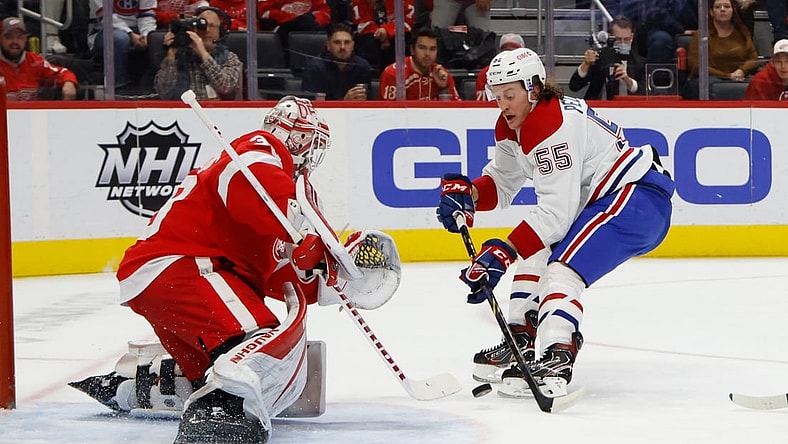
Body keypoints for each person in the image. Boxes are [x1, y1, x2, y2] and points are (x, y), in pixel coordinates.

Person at [68, 96, 400, 443]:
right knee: (258, 341)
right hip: (183, 267)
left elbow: (277, 275)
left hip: (171, 279)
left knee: (213, 371)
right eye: (309, 143)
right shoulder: (260, 149)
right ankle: (219, 415)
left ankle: (139, 385)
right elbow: (250, 180)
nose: (311, 156)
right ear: (295, 136)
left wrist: (328, 279)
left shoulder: (272, 206)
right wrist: (306, 239)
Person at [436, 47, 674, 397]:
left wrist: (502, 251)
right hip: (609, 201)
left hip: (636, 200)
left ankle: (557, 353)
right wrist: (469, 194)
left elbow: (555, 216)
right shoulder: (514, 124)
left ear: (533, 89)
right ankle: (520, 339)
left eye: (510, 95)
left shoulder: (552, 125)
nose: (502, 104)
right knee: (536, 253)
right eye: (497, 95)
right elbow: (503, 183)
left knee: (562, 269)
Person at [154, 7, 243, 100]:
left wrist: (203, 53)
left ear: (220, 31)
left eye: (212, 26)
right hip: (181, 110)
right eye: (202, 25)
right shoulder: (176, 55)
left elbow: (226, 87)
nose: (207, 30)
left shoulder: (229, 57)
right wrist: (171, 55)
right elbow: (163, 92)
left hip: (216, 110)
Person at [683, 0, 759, 99]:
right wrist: (727, 76)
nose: (722, 9)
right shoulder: (701, 35)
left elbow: (753, 59)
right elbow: (697, 66)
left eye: (727, 7)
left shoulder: (742, 33)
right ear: (711, 12)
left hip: (739, 78)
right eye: (718, 7)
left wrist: (741, 71)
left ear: (733, 11)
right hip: (711, 80)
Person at [568, 15, 647, 100]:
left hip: (630, 109)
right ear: (610, 37)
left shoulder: (640, 63)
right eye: (618, 39)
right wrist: (585, 64)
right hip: (598, 108)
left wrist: (627, 80)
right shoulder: (600, 57)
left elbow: (645, 93)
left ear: (632, 37)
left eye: (626, 39)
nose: (623, 43)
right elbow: (574, 86)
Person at [0, 16, 78, 100]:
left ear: (25, 39)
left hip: (31, 112)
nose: (15, 41)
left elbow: (63, 73)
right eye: (9, 37)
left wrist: (69, 82)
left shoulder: (35, 61)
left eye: (20, 37)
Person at [87, 0, 157, 88]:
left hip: (136, 30)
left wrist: (146, 35)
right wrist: (130, 34)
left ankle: (152, 86)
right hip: (104, 31)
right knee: (120, 39)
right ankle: (118, 86)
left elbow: (146, 15)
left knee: (155, 39)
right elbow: (106, 17)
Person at [379, 27, 461, 100]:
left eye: (432, 49)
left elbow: (455, 112)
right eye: (422, 48)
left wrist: (443, 88)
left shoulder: (442, 74)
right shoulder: (394, 74)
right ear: (412, 49)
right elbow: (388, 113)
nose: (427, 54)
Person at [302, 22, 373, 100]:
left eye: (347, 42)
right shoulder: (315, 67)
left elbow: (368, 101)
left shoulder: (362, 66)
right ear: (328, 45)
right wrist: (344, 102)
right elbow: (313, 106)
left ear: (353, 46)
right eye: (337, 42)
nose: (342, 47)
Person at [350, 0, 415, 74]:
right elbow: (362, 23)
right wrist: (380, 34)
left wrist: (387, 31)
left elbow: (407, 22)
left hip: (397, 35)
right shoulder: (359, 1)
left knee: (400, 43)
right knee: (369, 43)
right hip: (372, 36)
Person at [258, 0, 332, 46]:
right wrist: (295, 19)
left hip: (309, 27)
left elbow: (325, 13)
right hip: (283, 27)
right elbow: (264, 12)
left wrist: (310, 20)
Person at [474, 33, 524, 100]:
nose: (509, 54)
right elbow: (481, 106)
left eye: (513, 50)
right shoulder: (486, 73)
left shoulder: (530, 71)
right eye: (506, 50)